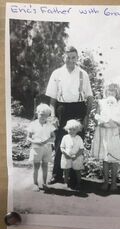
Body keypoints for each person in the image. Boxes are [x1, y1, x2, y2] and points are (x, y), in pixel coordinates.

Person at [46, 46, 93, 185]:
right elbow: (52, 99)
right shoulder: (57, 73)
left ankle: (74, 177)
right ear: (63, 57)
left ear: (77, 58)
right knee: (60, 141)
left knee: (76, 142)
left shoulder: (83, 74)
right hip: (62, 108)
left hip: (79, 108)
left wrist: (87, 116)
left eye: (73, 57)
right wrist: (53, 115)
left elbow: (89, 97)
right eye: (68, 57)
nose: (71, 60)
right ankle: (57, 174)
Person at [91, 83, 120, 191]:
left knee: (114, 158)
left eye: (113, 91)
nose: (111, 92)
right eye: (109, 90)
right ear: (105, 92)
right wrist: (102, 122)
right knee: (105, 158)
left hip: (115, 133)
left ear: (117, 92)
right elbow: (97, 116)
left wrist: (117, 123)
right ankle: (106, 181)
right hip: (104, 132)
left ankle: (114, 183)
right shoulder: (101, 102)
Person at [27, 103, 56, 191]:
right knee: (36, 166)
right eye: (41, 114)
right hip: (36, 148)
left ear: (48, 116)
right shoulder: (33, 124)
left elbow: (53, 137)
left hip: (47, 148)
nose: (43, 117)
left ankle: (44, 183)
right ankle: (35, 184)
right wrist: (35, 141)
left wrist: (46, 141)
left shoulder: (50, 125)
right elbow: (28, 137)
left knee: (45, 166)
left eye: (46, 115)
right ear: (37, 114)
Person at [60, 119, 84, 190]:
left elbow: (81, 149)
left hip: (77, 157)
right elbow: (62, 147)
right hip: (66, 156)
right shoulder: (65, 137)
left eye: (74, 130)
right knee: (66, 171)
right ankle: (66, 183)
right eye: (70, 129)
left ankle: (78, 183)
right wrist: (65, 153)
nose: (71, 131)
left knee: (77, 171)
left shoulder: (79, 138)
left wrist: (76, 156)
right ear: (67, 129)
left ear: (77, 130)